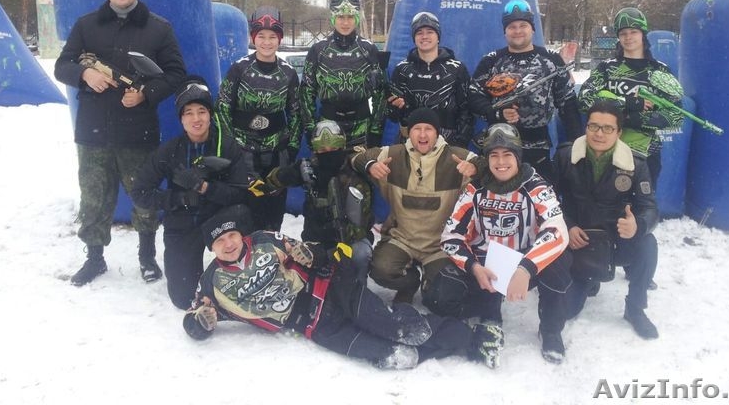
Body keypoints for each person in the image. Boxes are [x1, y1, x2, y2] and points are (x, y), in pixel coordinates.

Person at [182, 211, 506, 369]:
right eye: (220, 241)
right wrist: (199, 323)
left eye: (231, 236)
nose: (228, 244)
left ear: (240, 235)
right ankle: (446, 339)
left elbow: (314, 252)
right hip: (313, 326)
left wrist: (312, 255)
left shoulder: (265, 240)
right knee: (395, 355)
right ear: (212, 248)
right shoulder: (212, 282)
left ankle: (472, 340)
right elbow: (194, 318)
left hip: (329, 289)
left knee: (396, 327)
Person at [54, 0, 186, 286]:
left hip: (137, 131)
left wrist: (145, 94)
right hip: (93, 131)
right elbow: (62, 66)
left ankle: (147, 257)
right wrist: (85, 74)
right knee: (94, 197)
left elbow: (176, 74)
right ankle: (94, 259)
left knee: (144, 196)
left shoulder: (158, 28)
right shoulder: (87, 25)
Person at [429, 123, 572, 363]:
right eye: (494, 155)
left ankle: (550, 329)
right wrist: (474, 267)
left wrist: (525, 269)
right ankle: (488, 310)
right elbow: (451, 235)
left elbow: (557, 230)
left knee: (559, 262)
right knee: (442, 294)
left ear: (518, 157)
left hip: (525, 262)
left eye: (507, 154)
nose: (501, 162)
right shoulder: (475, 189)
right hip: (487, 264)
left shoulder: (536, 186)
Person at [130, 77, 254, 309]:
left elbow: (241, 194)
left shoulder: (227, 146)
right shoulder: (169, 151)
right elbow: (140, 192)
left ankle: (238, 269)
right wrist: (179, 198)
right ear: (181, 119)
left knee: (246, 289)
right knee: (183, 298)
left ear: (210, 115)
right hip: (182, 222)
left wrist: (206, 188)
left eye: (202, 111)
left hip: (220, 221)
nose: (196, 119)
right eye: (189, 113)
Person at [350, 108, 485, 305]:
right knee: (381, 270)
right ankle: (409, 284)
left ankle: (430, 284)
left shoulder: (456, 157)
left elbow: (490, 166)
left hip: (440, 245)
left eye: (428, 129)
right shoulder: (393, 155)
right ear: (408, 132)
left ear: (437, 133)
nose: (422, 135)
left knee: (444, 294)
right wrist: (370, 165)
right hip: (402, 240)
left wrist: (476, 168)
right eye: (417, 129)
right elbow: (355, 157)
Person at [552, 100, 660, 340]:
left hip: (615, 241)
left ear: (619, 132)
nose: (599, 134)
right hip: (579, 241)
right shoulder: (565, 156)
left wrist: (638, 224)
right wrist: (568, 226)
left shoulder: (636, 164)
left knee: (647, 243)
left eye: (608, 128)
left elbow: (650, 208)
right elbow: (547, 199)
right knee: (566, 311)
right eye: (593, 126)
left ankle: (635, 308)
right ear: (586, 127)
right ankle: (588, 278)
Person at [469, 0, 581, 180]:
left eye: (523, 25)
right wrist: (497, 114)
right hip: (498, 148)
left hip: (538, 148)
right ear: (505, 31)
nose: (518, 31)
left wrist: (577, 142)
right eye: (512, 26)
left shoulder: (551, 60)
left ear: (532, 29)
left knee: (539, 195)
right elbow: (473, 96)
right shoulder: (491, 61)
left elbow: (568, 103)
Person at [578, 6, 683, 187]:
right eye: (623, 33)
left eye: (633, 32)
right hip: (607, 151)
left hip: (646, 154)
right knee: (605, 201)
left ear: (643, 34)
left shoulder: (659, 70)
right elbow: (584, 99)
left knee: (643, 202)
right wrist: (626, 103)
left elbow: (676, 116)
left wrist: (632, 119)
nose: (628, 37)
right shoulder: (607, 68)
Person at [216, 7, 301, 232]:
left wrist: (291, 149)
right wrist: (230, 148)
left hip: (276, 153)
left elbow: (296, 113)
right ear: (253, 38)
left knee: (273, 214)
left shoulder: (288, 73)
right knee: (246, 212)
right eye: (261, 36)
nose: (267, 42)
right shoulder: (239, 69)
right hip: (243, 151)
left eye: (272, 36)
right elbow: (222, 108)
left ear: (279, 39)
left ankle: (272, 246)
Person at [263, 120, 374, 274]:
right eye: (322, 150)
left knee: (360, 254)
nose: (328, 154)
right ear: (315, 150)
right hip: (314, 241)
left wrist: (329, 247)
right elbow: (270, 183)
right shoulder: (309, 169)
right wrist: (285, 175)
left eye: (333, 149)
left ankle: (357, 284)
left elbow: (360, 227)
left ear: (342, 147)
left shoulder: (354, 175)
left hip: (348, 242)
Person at [299, 0, 386, 150]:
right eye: (340, 17)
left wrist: (376, 131)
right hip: (327, 128)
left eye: (350, 17)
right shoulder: (318, 50)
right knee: (330, 167)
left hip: (362, 127)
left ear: (357, 18)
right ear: (333, 17)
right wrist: (310, 129)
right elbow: (306, 92)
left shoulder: (369, 49)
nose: (345, 23)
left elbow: (380, 94)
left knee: (361, 166)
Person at [387, 11, 474, 148]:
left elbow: (467, 111)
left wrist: (459, 144)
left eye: (430, 32)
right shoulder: (402, 69)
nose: (424, 36)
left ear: (438, 37)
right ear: (414, 38)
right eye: (419, 33)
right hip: (411, 143)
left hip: (447, 143)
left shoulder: (457, 69)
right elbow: (392, 115)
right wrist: (395, 108)